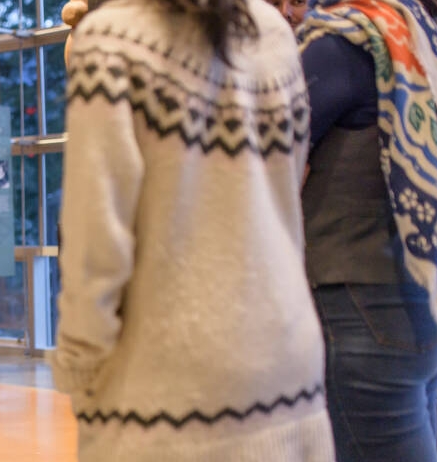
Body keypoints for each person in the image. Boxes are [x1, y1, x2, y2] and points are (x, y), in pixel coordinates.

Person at [51, 0, 334, 460]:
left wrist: (80, 369)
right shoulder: (273, 32)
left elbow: (97, 240)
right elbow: (284, 192)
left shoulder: (113, 39)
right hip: (288, 362)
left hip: (165, 389)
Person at [297, 0, 437, 460]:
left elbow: (261, 167)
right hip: (431, 299)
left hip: (362, 307)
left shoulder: (343, 44)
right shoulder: (425, 32)